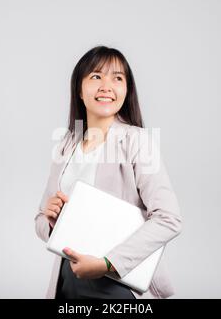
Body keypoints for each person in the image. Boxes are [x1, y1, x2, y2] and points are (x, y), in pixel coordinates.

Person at [34, 46, 182, 299]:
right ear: (79, 90)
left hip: (116, 281)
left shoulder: (137, 142)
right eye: (96, 76)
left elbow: (169, 219)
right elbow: (40, 221)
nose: (106, 85)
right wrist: (51, 220)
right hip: (66, 280)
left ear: (126, 90)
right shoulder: (66, 145)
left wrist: (106, 263)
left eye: (117, 78)